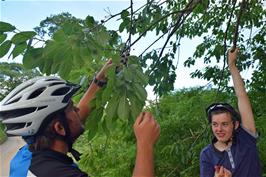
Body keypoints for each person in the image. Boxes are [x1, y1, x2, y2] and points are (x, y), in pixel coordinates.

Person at [0, 60, 160, 177]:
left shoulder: (27, 155)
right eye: (72, 108)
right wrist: (145, 143)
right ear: (59, 128)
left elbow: (71, 121)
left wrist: (99, 80)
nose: (78, 109)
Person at [200, 47, 262, 177]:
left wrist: (232, 66)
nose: (219, 129)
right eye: (215, 124)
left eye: (225, 124)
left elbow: (242, 96)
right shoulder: (207, 154)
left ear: (236, 124)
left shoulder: (246, 138)